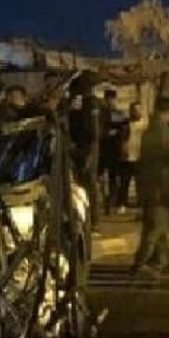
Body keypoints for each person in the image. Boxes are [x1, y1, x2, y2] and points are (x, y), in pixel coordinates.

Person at [130, 98, 169, 277]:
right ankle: (140, 263)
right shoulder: (163, 132)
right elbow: (168, 157)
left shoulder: (150, 131)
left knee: (162, 227)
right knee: (155, 228)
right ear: (167, 112)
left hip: (151, 185)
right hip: (159, 186)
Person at [67, 73, 101, 226]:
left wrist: (90, 153)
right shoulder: (78, 102)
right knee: (81, 182)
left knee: (89, 181)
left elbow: (93, 131)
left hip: (88, 146)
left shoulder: (91, 103)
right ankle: (86, 216)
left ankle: (93, 217)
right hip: (78, 145)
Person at [98, 89, 128, 216]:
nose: (110, 101)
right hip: (103, 149)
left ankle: (111, 202)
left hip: (114, 149)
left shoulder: (119, 114)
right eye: (108, 99)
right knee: (100, 177)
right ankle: (104, 200)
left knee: (113, 178)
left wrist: (118, 135)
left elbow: (126, 131)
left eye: (112, 99)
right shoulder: (101, 113)